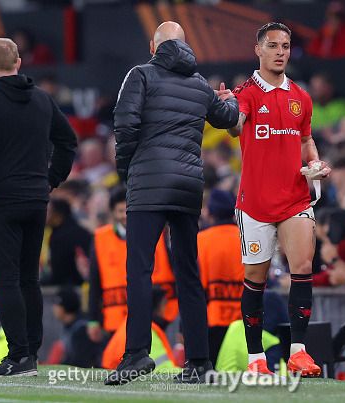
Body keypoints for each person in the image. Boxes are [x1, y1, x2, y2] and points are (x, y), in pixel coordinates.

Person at [107, 21, 239, 385]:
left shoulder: (141, 75)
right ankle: (199, 361)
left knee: (140, 269)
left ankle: (136, 353)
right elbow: (231, 119)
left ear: (154, 47)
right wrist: (233, 101)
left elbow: (126, 125)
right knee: (188, 274)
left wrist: (126, 173)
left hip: (148, 185)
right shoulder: (200, 84)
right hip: (187, 188)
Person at [0, 38, 77, 377]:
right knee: (28, 280)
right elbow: (68, 142)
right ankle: (30, 355)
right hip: (36, 202)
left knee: (6, 281)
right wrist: (49, 181)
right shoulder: (42, 99)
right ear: (19, 63)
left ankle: (20, 357)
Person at [227, 22, 331, 376]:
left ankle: (299, 352)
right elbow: (235, 124)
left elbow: (305, 140)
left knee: (302, 267)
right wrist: (226, 111)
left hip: (295, 199)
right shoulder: (246, 93)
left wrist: (314, 162)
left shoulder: (301, 97)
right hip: (255, 203)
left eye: (285, 46)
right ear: (258, 49)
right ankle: (256, 360)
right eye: (273, 45)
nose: (280, 51)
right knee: (256, 279)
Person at [87, 185, 177, 341]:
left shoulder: (158, 234)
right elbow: (94, 282)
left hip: (162, 319)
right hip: (117, 321)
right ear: (113, 212)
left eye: (128, 210)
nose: (125, 215)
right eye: (120, 211)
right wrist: (93, 320)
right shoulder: (101, 240)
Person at [197, 189, 245, 365]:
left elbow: (194, 287)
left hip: (211, 319)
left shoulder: (200, 240)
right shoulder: (245, 238)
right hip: (244, 319)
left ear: (211, 214)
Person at [51, 287, 100, 368]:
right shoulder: (70, 326)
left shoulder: (81, 329)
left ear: (65, 307)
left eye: (57, 305)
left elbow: (80, 362)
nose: (54, 309)